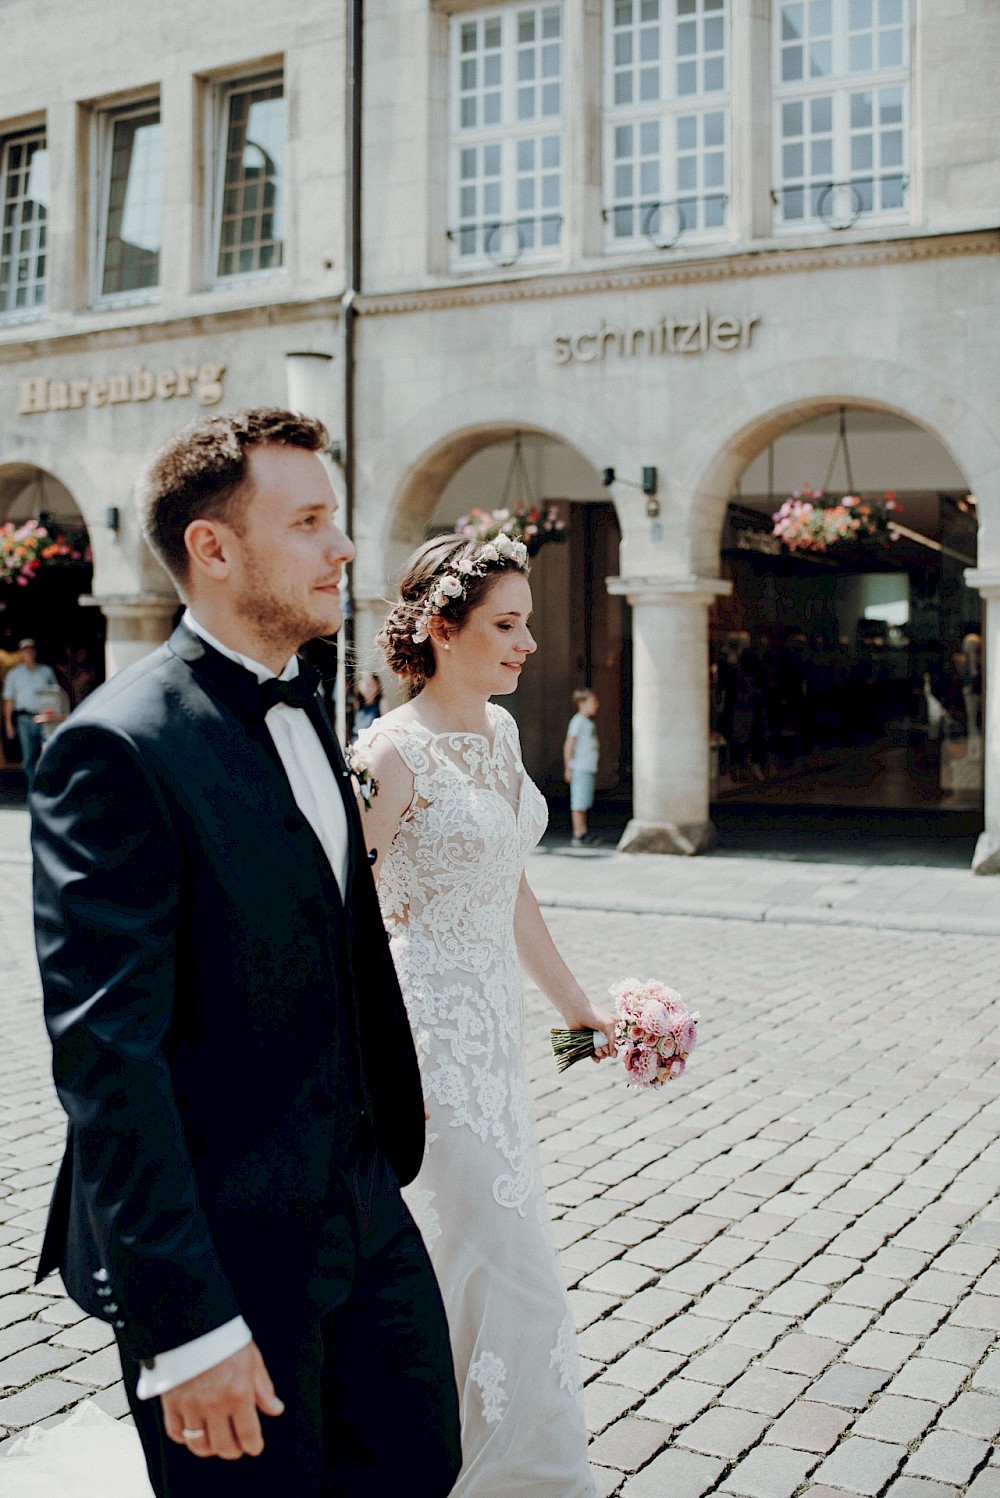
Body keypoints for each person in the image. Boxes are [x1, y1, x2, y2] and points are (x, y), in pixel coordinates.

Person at [27, 410, 461, 1498]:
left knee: (420, 1464)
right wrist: (185, 1329)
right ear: (212, 551)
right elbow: (107, 1062)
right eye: (309, 521)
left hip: (364, 1208)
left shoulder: (307, 702)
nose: (344, 547)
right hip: (226, 1250)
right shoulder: (113, 748)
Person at [356, 534, 615, 1498]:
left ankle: (459, 1452)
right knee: (495, 1259)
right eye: (507, 626)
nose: (529, 645)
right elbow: (343, 918)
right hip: (425, 1044)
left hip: (494, 1036)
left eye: (528, 625)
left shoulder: (501, 738)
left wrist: (580, 1008)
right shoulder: (390, 753)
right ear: (442, 630)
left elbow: (511, 890)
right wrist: (382, 1064)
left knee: (481, 1250)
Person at [2, 638, 60, 788]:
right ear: (21, 653)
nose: (28, 653)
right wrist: (8, 723)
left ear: (35, 652)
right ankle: (33, 789)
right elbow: (9, 699)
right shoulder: (14, 674)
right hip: (24, 719)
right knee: (28, 757)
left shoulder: (46, 671)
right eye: (25, 650)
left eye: (31, 650)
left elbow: (55, 695)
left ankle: (46, 788)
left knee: (47, 753)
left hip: (45, 719)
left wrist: (56, 718)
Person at [563, 686, 601, 845]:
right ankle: (578, 833)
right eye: (592, 702)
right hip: (579, 767)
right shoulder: (577, 722)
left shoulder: (587, 722)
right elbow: (569, 745)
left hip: (588, 767)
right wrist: (568, 767)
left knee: (584, 801)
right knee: (578, 801)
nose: (596, 705)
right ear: (581, 703)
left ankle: (583, 831)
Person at [350, 670, 383, 738]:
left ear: (377, 685)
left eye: (371, 683)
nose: (368, 686)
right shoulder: (356, 703)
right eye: (365, 682)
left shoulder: (381, 702)